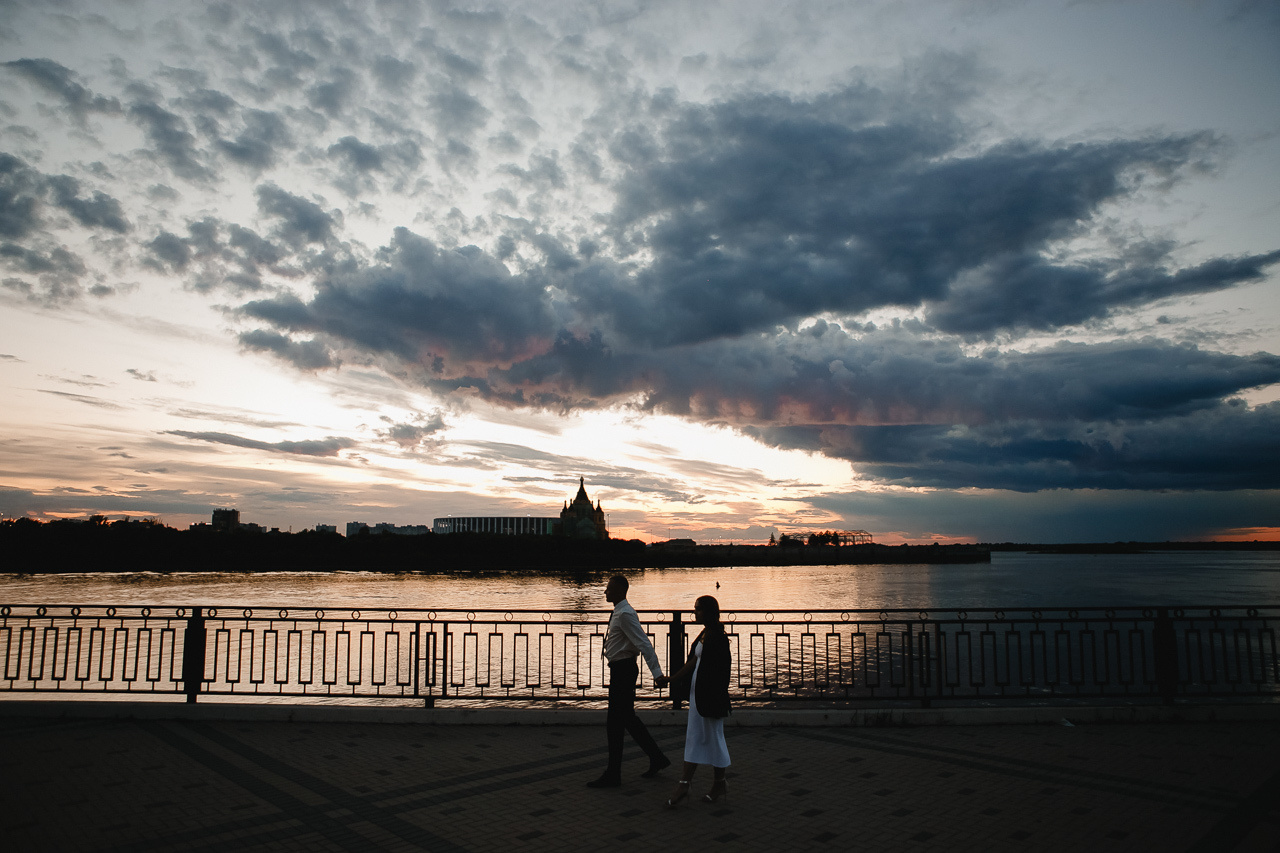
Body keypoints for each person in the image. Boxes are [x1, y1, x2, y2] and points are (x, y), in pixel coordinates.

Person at [587, 574, 671, 788]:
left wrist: (657, 673)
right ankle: (656, 758)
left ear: (620, 591)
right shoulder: (619, 611)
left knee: (615, 723)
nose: (605, 591)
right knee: (627, 720)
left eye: (609, 588)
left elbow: (644, 643)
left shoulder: (625, 614)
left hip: (623, 671)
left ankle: (614, 774)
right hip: (620, 669)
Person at [659, 594, 731, 807]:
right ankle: (698, 783)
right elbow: (693, 662)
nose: (695, 612)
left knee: (712, 739)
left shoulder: (717, 637)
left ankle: (693, 784)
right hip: (698, 697)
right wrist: (672, 679)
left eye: (698, 609)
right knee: (697, 737)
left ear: (709, 611)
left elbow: (722, 672)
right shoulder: (705, 634)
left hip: (709, 699)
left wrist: (715, 698)